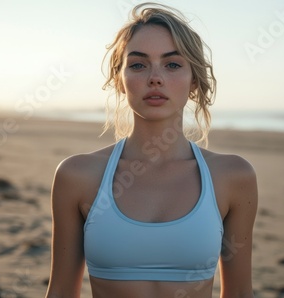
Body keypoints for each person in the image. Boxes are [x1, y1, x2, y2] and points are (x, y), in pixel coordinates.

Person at [45, 3, 257, 298]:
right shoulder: (77, 175)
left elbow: (239, 294)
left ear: (193, 80)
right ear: (120, 79)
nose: (155, 78)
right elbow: (60, 293)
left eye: (172, 64)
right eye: (138, 64)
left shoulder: (233, 176)